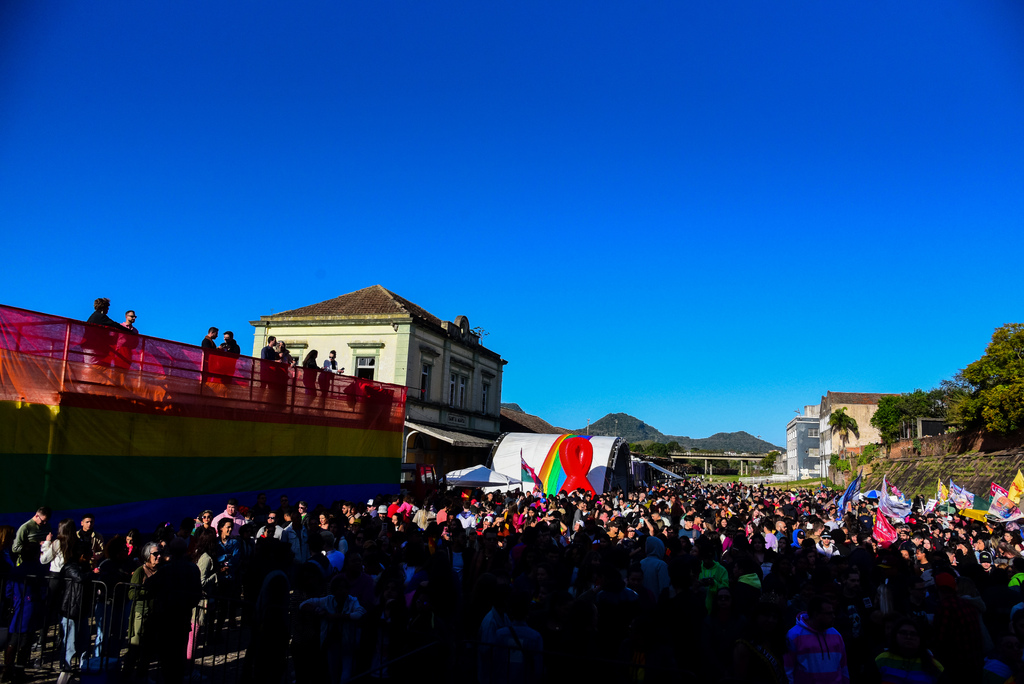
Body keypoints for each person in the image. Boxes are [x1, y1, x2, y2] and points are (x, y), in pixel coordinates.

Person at [784, 596, 849, 684]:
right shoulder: (794, 635)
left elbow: (843, 667)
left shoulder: (836, 635)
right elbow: (788, 669)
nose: (833, 616)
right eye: (829, 614)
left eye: (833, 613)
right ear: (816, 614)